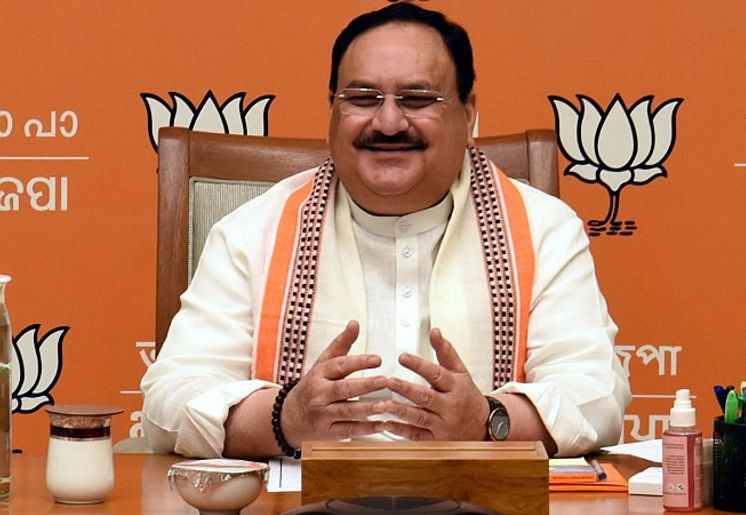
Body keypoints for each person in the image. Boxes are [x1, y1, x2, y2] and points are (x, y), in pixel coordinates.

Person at [140, 3, 631, 459]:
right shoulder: (253, 232)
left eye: (418, 98)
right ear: (332, 109)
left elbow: (595, 394)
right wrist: (284, 419)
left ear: (468, 114)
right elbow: (170, 400)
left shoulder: (544, 230)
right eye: (362, 98)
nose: (390, 121)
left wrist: (486, 421)